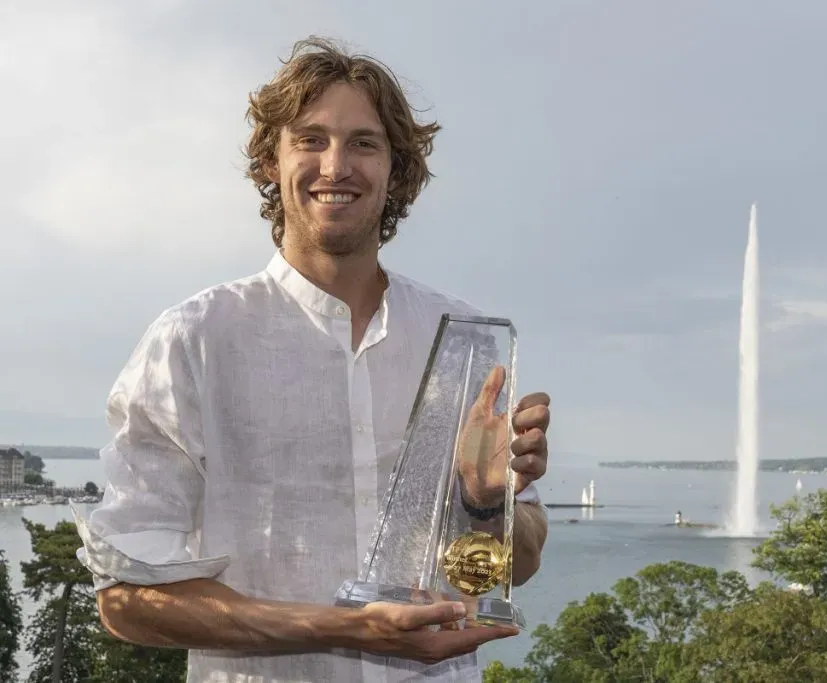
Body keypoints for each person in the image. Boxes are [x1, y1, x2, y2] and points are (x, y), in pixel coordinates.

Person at [72, 35, 551, 683]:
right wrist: (343, 625)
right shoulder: (194, 340)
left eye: (363, 142)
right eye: (311, 139)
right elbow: (126, 600)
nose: (336, 165)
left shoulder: (462, 334)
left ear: (396, 169)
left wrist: (487, 500)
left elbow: (516, 565)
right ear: (271, 161)